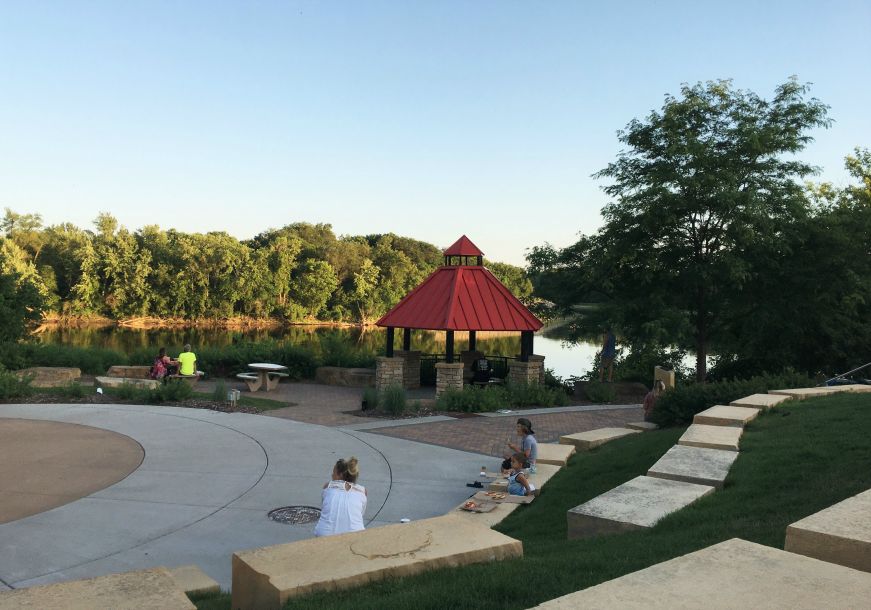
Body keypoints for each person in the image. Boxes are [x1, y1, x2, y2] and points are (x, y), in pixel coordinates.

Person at [314, 457, 367, 537]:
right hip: (355, 535)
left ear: (340, 475)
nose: (332, 475)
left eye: (334, 472)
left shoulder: (327, 486)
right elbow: (360, 514)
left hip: (324, 535)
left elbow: (325, 509)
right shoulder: (362, 491)